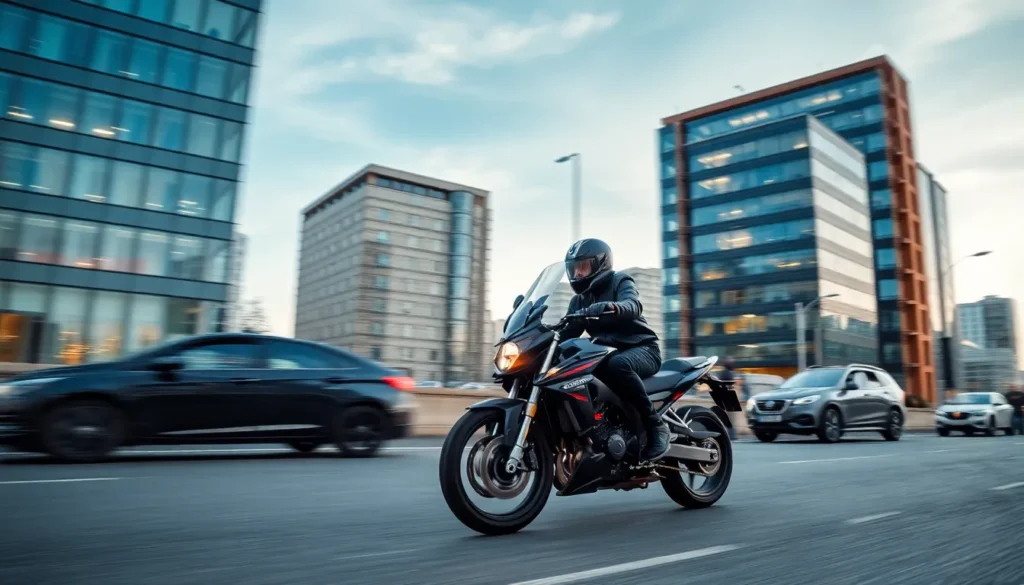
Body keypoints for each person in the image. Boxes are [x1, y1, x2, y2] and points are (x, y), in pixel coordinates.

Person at [560, 238, 670, 461]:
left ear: (600, 263)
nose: (578, 273)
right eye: (574, 268)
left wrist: (612, 307)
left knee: (617, 364)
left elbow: (633, 305)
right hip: (608, 355)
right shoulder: (578, 301)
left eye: (583, 267)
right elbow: (566, 334)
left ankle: (656, 425)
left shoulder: (620, 281)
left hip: (643, 349)